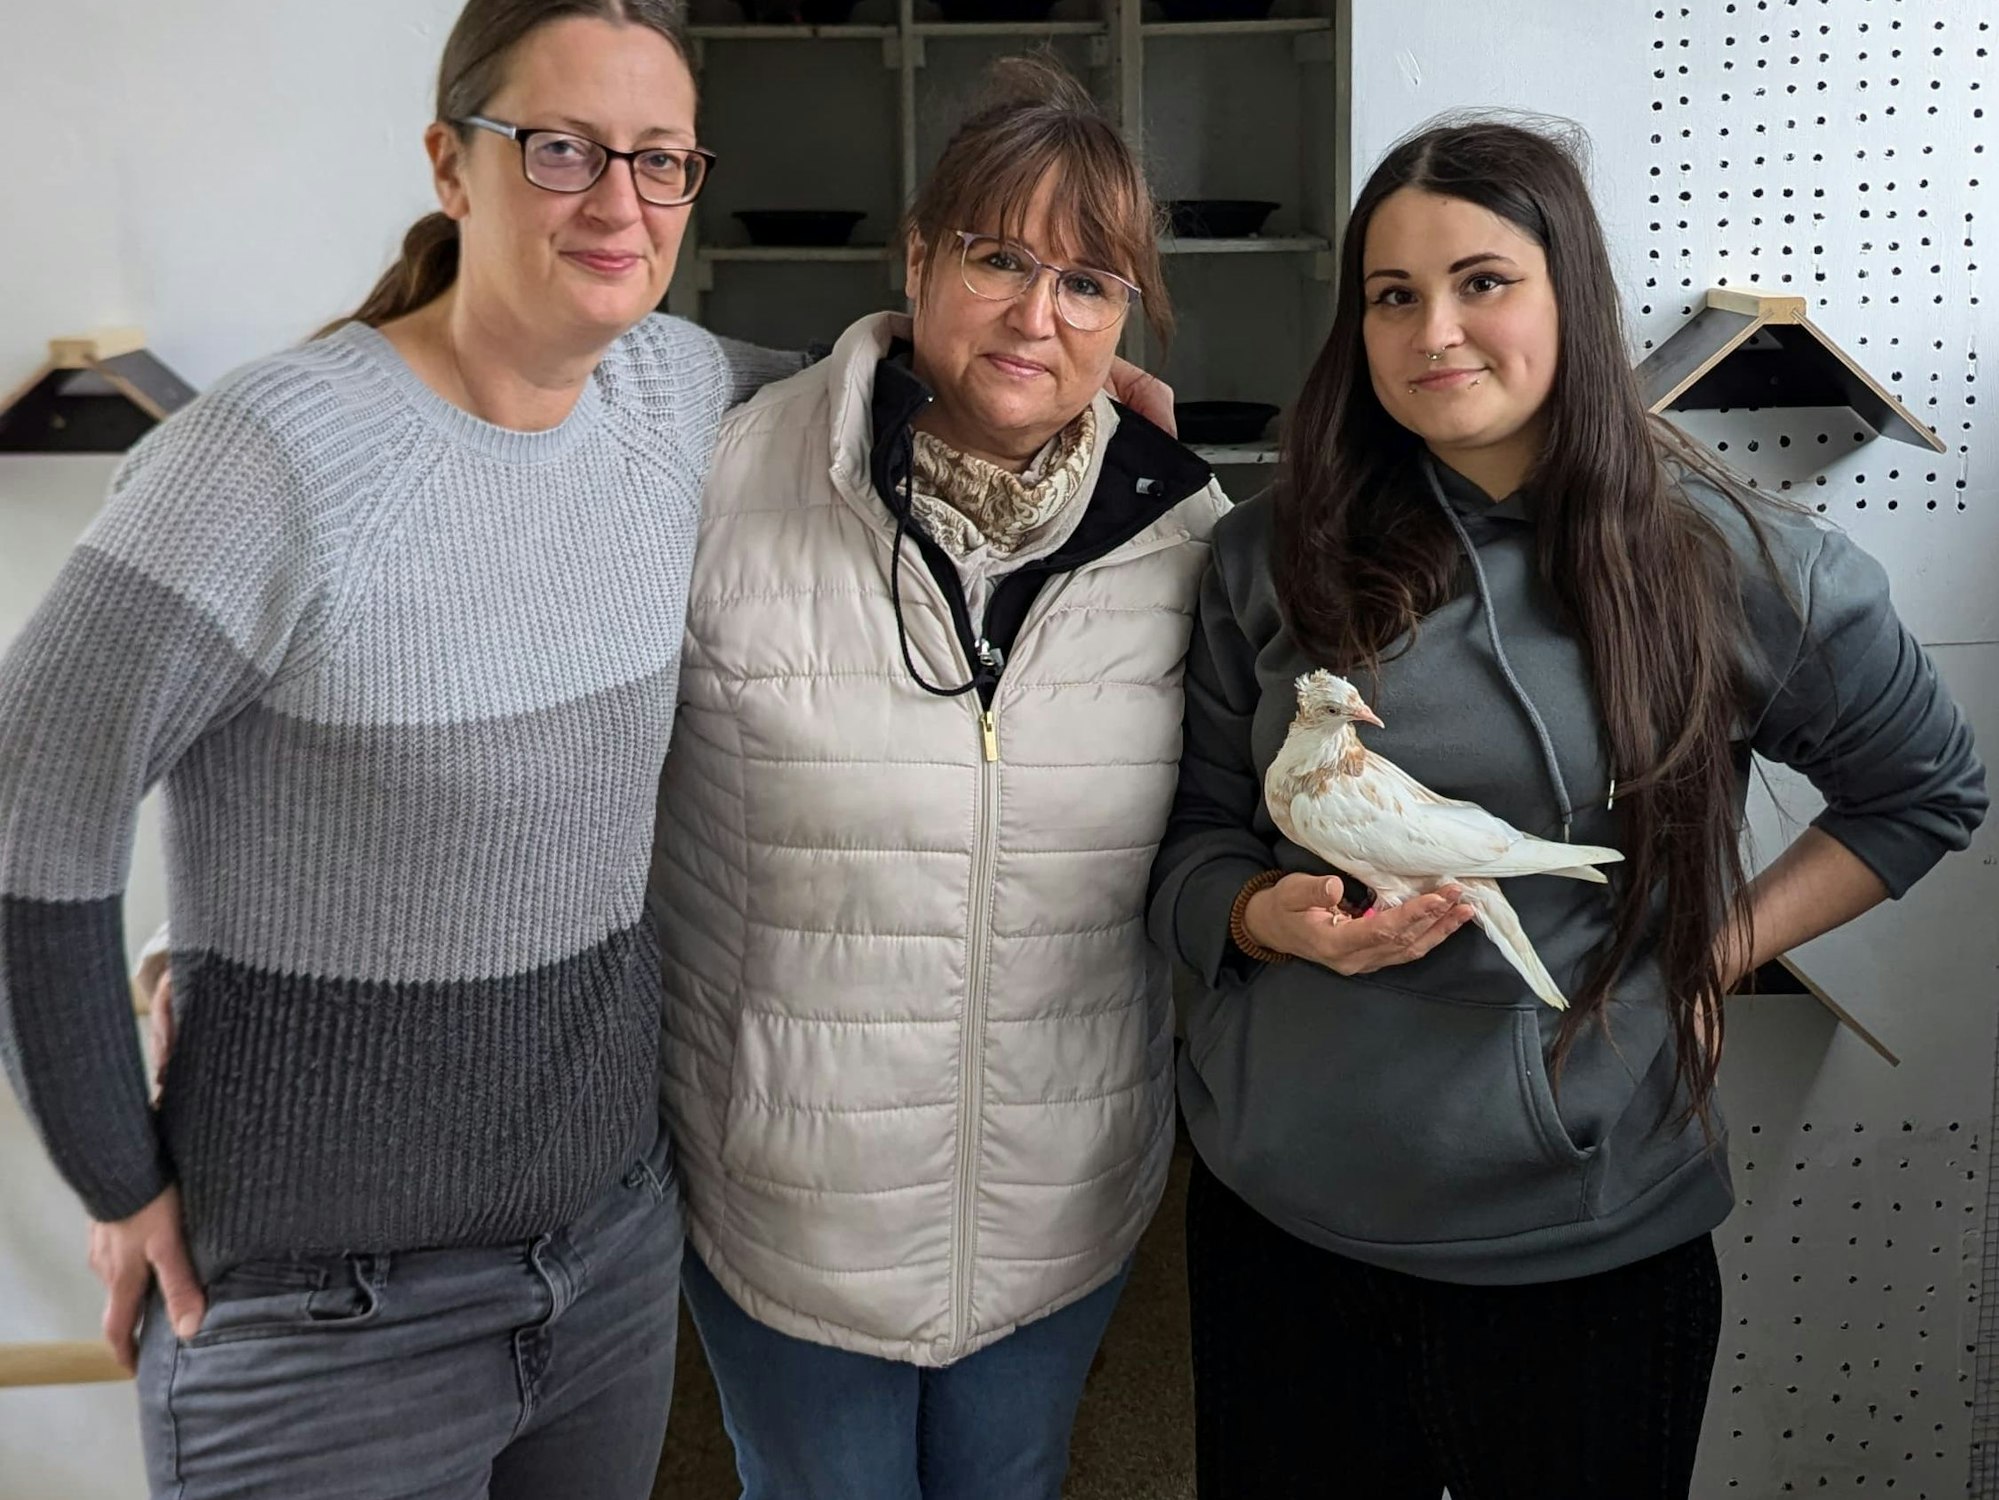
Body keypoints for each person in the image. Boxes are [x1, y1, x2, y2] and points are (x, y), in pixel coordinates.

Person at [0, 3, 806, 1495]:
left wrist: (1085, 395)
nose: (621, 202)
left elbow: (872, 385)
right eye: (561, 150)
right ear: (451, 164)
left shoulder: (676, 392)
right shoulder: (273, 459)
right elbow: (25, 814)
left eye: (662, 160)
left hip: (608, 1269)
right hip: (322, 1333)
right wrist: (115, 1172)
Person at [1148, 118, 1987, 1499]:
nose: (1435, 331)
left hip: (1586, 1249)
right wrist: (1258, 916)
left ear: (1571, 297)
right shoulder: (1268, 554)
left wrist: (1707, 952)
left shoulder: (1741, 565)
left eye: (1482, 281)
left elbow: (1921, 794)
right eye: (1393, 295)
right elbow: (1194, 836)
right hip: (1283, 1222)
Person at [648, 57, 1228, 1500]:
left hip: (1060, 1194)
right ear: (917, 258)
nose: (1039, 315)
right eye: (998, 259)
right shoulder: (721, 485)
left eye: (1088, 283)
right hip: (789, 1198)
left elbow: (1226, 822)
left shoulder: (1184, 535)